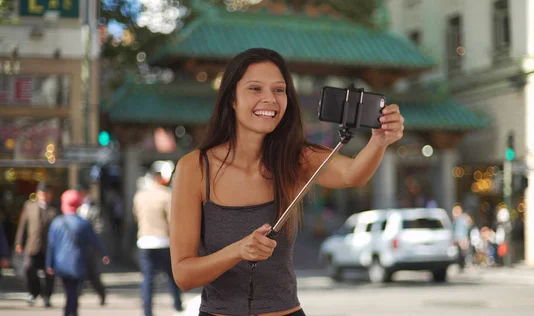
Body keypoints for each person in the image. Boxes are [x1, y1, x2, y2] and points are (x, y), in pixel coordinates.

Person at [169, 48, 405, 316]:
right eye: (255, 89)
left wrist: (379, 141)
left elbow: (353, 174)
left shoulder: (297, 157)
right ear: (231, 99)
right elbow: (184, 275)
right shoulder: (194, 168)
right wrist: (238, 250)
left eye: (279, 90)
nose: (269, 99)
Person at [46, 190, 110, 316]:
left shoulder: (56, 223)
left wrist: (49, 264)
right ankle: (71, 311)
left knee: (69, 290)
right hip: (78, 263)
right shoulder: (83, 224)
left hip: (61, 263)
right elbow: (95, 241)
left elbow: (51, 246)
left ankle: (69, 311)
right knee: (74, 291)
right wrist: (104, 254)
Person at [133, 171, 183, 316]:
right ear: (160, 179)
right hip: (163, 240)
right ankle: (177, 304)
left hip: (144, 240)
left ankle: (147, 311)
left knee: (147, 278)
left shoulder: (139, 195)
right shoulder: (167, 194)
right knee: (172, 275)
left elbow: (136, 216)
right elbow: (173, 219)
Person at [14, 181, 60, 307]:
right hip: (32, 245)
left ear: (50, 194)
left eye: (46, 193)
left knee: (49, 274)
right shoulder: (29, 206)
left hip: (49, 248)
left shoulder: (55, 209)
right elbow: (23, 226)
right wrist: (19, 242)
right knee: (28, 268)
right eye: (42, 193)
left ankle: (47, 296)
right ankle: (34, 292)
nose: (44, 196)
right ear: (38, 194)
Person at [75, 183, 107, 305]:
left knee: (93, 274)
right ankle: (75, 297)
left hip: (89, 248)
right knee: (77, 273)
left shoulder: (94, 208)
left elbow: (99, 227)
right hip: (77, 247)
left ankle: (101, 293)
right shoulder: (75, 208)